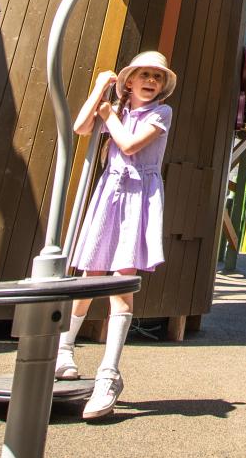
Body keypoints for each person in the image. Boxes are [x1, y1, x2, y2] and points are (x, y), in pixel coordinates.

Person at [57, 51, 176, 419]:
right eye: (144, 74)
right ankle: (64, 349)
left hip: (139, 195)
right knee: (89, 275)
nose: (151, 81)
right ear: (129, 81)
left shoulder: (161, 114)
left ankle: (109, 372)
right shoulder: (117, 110)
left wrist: (108, 116)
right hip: (109, 194)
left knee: (122, 281)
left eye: (157, 77)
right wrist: (98, 91)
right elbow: (80, 127)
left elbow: (130, 145)